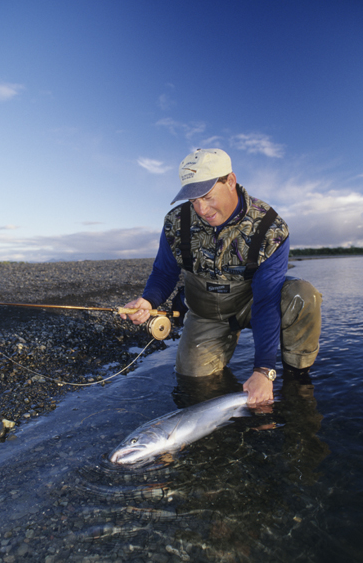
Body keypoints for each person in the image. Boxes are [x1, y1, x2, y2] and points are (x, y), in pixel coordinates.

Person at [121, 148, 322, 407]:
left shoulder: (270, 227)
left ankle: (297, 382)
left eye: (206, 196)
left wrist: (263, 371)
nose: (201, 209)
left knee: (303, 296)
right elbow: (164, 272)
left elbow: (266, 300)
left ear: (230, 181)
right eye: (193, 200)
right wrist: (148, 300)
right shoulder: (175, 222)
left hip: (253, 303)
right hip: (205, 313)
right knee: (192, 384)